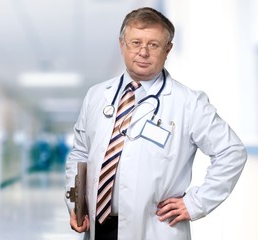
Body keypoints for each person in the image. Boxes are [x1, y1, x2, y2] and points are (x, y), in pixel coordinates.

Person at [65, 7, 247, 240]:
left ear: (167, 50)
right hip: (97, 227)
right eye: (135, 42)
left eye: (153, 45)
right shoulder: (97, 95)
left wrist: (196, 203)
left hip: (155, 229)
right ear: (122, 45)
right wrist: (76, 205)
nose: (143, 52)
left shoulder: (188, 103)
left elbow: (231, 151)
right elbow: (80, 153)